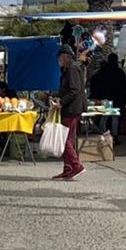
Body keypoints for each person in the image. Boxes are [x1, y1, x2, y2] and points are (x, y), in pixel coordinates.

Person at [52, 45, 88, 181]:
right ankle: (68, 169)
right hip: (69, 108)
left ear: (65, 57)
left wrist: (61, 102)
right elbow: (66, 90)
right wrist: (55, 96)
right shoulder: (66, 69)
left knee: (65, 140)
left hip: (72, 109)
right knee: (67, 139)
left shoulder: (72, 68)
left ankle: (76, 166)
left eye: (60, 57)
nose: (58, 60)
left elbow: (74, 90)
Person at [88, 52, 126, 137]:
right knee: (115, 117)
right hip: (117, 99)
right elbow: (123, 88)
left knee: (105, 117)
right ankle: (114, 135)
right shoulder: (120, 72)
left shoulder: (103, 71)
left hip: (106, 98)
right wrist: (124, 102)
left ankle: (102, 133)